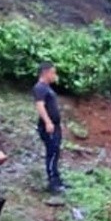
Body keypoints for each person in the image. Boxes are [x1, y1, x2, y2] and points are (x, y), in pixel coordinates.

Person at [33, 61, 63, 193]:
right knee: (52, 152)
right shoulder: (40, 87)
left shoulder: (47, 88)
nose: (55, 75)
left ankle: (57, 179)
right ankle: (52, 183)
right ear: (45, 73)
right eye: (53, 73)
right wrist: (48, 122)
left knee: (55, 151)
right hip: (49, 126)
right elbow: (40, 106)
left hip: (55, 126)